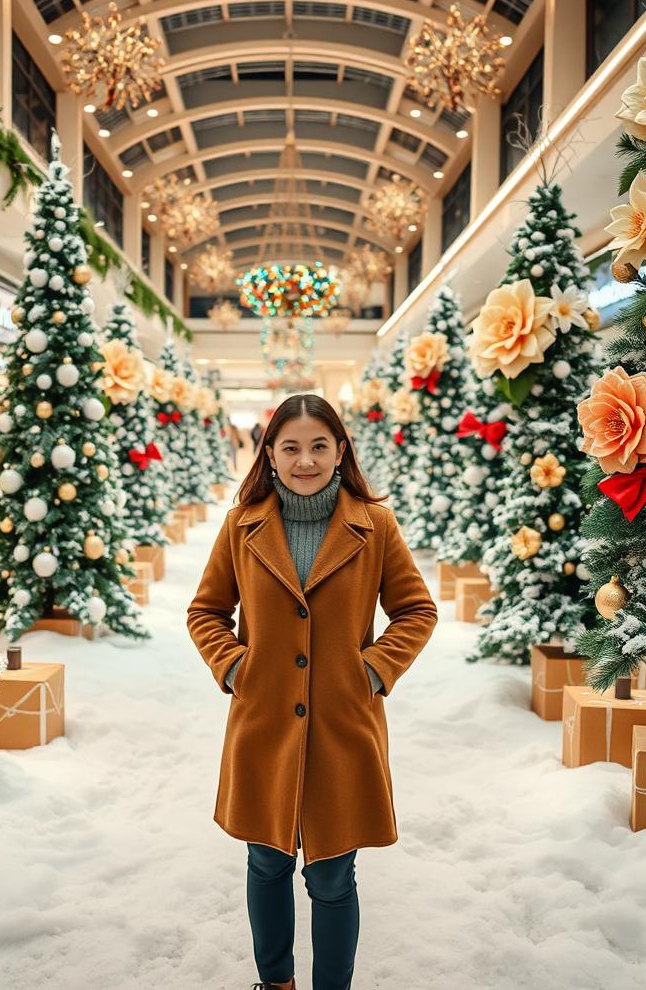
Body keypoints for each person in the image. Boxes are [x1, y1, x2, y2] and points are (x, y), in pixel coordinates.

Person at [187, 393, 438, 990]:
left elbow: (416, 610)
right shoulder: (241, 524)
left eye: (319, 446)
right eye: (291, 447)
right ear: (269, 454)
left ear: (340, 451)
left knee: (332, 875)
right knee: (266, 861)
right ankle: (275, 983)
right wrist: (235, 668)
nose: (306, 460)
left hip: (342, 723)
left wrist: (373, 670)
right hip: (264, 721)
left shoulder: (373, 525)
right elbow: (205, 612)